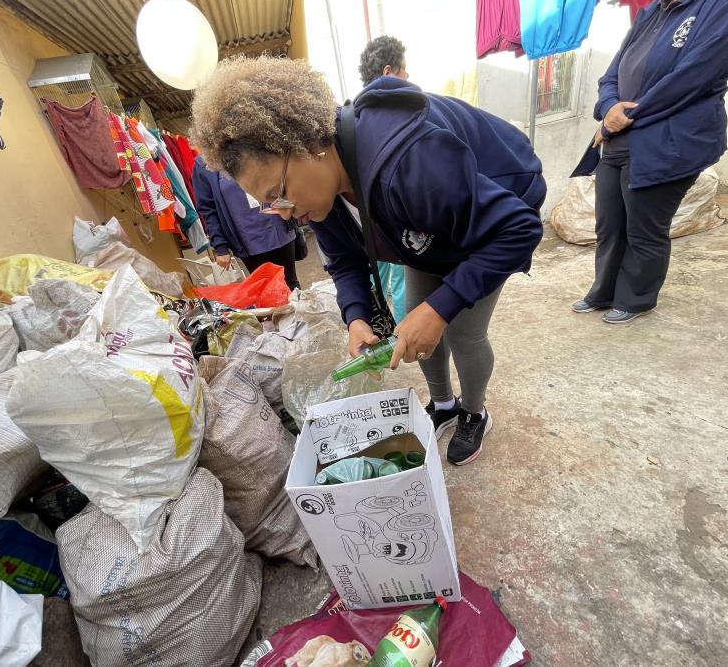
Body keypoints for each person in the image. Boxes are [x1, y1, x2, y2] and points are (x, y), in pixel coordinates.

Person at [190, 57, 545, 465]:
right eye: (270, 206)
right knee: (415, 318)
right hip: (428, 229)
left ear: (308, 145)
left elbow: (517, 230)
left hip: (491, 222)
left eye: (278, 193)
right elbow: (343, 261)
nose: (284, 212)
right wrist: (356, 315)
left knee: (462, 330)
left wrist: (442, 306)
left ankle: (474, 412)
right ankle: (444, 403)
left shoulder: (408, 161)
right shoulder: (321, 198)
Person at [571, 0, 728, 323]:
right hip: (619, 137)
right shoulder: (655, 8)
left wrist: (621, 118)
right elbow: (611, 74)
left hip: (666, 140)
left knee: (644, 229)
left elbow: (695, 76)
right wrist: (608, 110)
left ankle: (635, 298)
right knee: (609, 225)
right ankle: (603, 290)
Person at [358, 35, 410, 322]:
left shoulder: (355, 119)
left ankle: (381, 326)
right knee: (402, 277)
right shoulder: (398, 118)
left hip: (370, 223)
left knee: (376, 274)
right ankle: (404, 331)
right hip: (397, 219)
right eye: (404, 70)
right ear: (388, 73)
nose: (408, 76)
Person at [192, 155, 301, 290]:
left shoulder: (248, 143)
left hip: (278, 228)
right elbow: (208, 210)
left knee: (291, 284)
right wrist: (220, 247)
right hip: (247, 241)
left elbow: (280, 177)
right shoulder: (203, 164)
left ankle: (300, 310)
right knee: (266, 290)